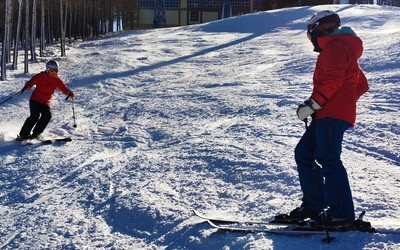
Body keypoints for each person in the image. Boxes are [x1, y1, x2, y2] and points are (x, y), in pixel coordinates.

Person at [277, 10, 369, 226]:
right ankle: (314, 206)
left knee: (328, 159)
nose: (312, 41)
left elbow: (333, 81)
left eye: (311, 35)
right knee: (304, 153)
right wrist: (337, 103)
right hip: (328, 112)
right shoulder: (343, 48)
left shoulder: (335, 47)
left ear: (318, 30)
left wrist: (314, 104)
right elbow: (360, 84)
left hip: (330, 114)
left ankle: (341, 214)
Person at [17, 60, 75, 140]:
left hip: (45, 102)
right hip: (35, 100)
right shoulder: (40, 76)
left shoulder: (57, 80)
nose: (54, 72)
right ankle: (23, 134)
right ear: (47, 69)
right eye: (52, 70)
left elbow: (63, 88)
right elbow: (31, 82)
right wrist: (28, 85)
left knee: (47, 115)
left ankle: (36, 134)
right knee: (35, 116)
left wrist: (69, 93)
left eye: (56, 70)